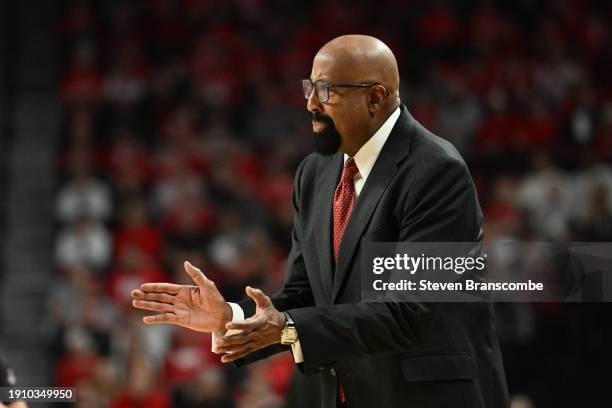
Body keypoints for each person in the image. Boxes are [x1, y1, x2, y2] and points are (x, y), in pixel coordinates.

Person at [132, 35, 509, 407]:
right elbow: (305, 295)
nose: (311, 102)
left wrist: (288, 328)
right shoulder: (314, 174)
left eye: (326, 90)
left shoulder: (436, 171)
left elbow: (407, 312)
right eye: (310, 87)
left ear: (375, 98)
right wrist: (231, 316)